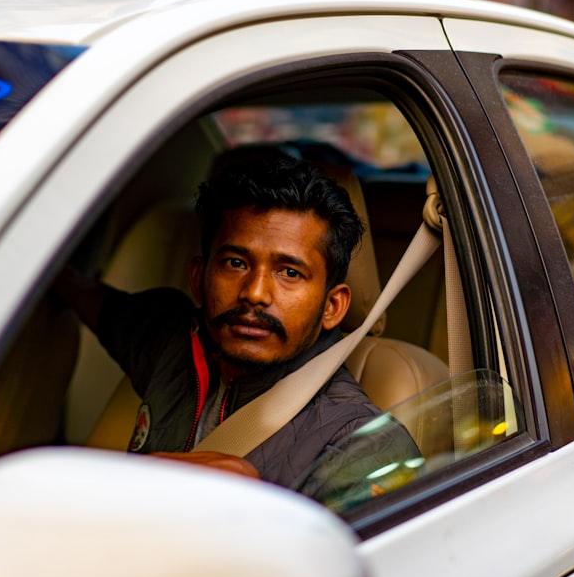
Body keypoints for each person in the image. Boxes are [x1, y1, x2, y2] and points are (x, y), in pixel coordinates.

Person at [56, 148, 419, 495]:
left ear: (333, 306)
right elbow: (99, 305)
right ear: (198, 278)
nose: (255, 293)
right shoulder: (171, 340)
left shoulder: (363, 444)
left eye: (290, 272)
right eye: (236, 263)